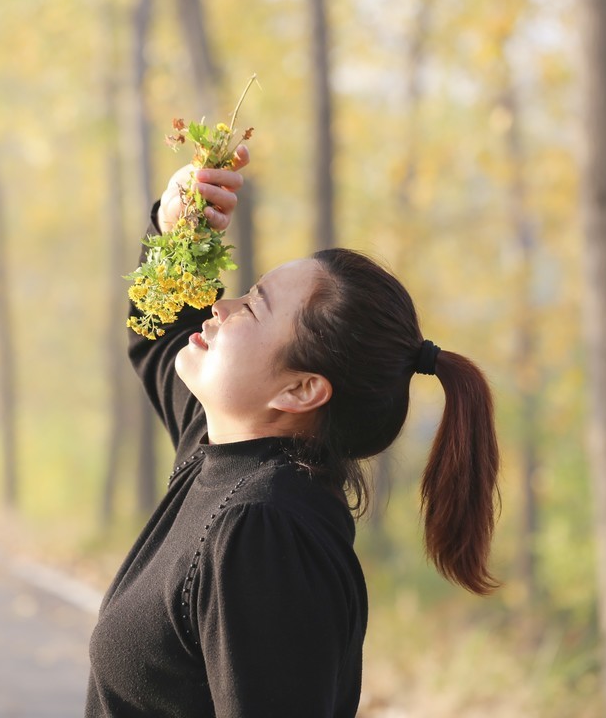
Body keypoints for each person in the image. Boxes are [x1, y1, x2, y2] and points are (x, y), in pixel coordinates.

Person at [85, 147, 501, 717]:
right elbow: (163, 337)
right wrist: (175, 233)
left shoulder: (263, 532)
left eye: (254, 307)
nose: (221, 308)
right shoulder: (223, 451)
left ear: (301, 391)